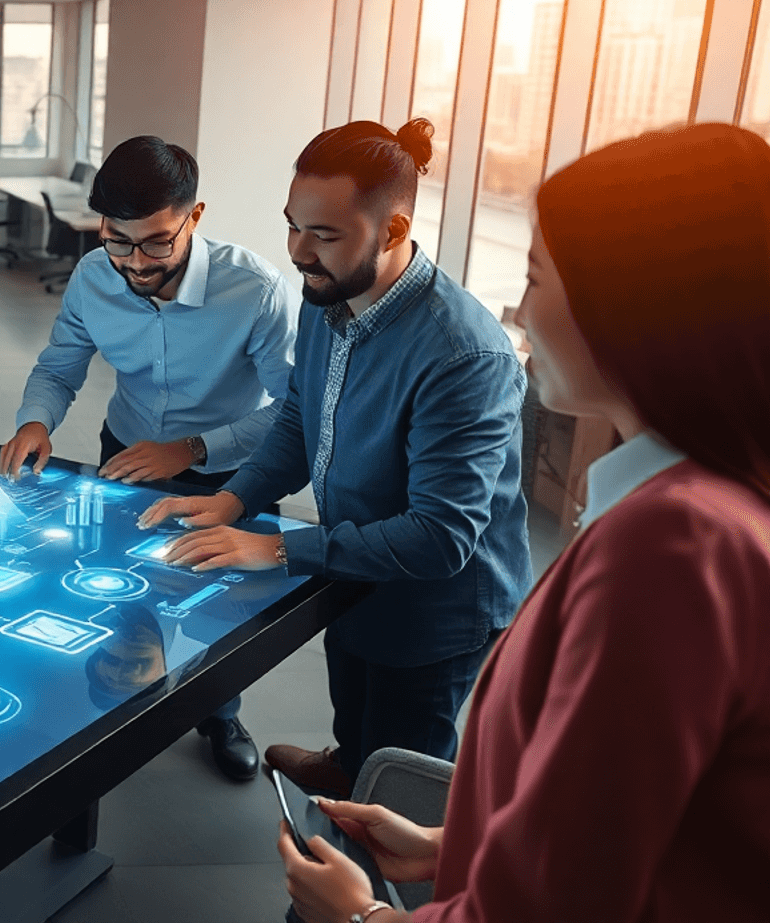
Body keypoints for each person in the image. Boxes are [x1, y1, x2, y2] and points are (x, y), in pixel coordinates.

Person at [279, 122, 770, 923]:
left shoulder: (673, 547)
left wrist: (365, 918)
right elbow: (629, 829)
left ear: (631, 303)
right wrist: (459, 847)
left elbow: (555, 904)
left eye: (538, 277)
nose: (518, 308)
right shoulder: (704, 509)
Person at [140, 119, 530, 798]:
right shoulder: (327, 293)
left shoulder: (464, 354)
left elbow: (441, 537)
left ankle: (366, 881)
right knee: (356, 695)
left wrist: (282, 550)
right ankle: (349, 762)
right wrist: (236, 499)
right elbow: (300, 416)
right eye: (294, 226)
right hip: (353, 558)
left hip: (436, 604)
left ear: (394, 230)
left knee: (402, 771)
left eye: (323, 235)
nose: (297, 252)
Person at [0, 135, 301, 782]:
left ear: (196, 215)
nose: (136, 262)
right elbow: (61, 364)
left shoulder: (255, 290)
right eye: (119, 241)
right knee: (127, 591)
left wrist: (192, 448)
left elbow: (291, 410)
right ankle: (127, 698)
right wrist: (34, 420)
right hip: (128, 454)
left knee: (221, 607)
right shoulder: (91, 276)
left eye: (157, 242)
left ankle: (223, 710)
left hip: (232, 473)